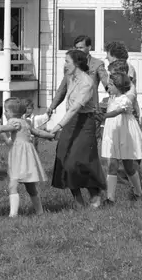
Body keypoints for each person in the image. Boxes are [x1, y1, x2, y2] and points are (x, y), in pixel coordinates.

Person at [44, 49, 107, 208]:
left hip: (85, 123)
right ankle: (78, 201)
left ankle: (95, 194)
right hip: (71, 123)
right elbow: (63, 94)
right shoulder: (70, 77)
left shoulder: (87, 82)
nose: (64, 65)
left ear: (77, 63)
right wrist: (52, 108)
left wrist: (57, 126)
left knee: (81, 161)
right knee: (64, 158)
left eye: (67, 62)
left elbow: (74, 109)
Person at [0, 97, 48, 217]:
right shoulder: (26, 122)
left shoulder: (13, 122)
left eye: (6, 110)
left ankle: (13, 214)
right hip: (28, 157)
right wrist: (50, 135)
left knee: (13, 185)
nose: (5, 112)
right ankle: (40, 212)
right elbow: (38, 132)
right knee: (30, 187)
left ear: (10, 113)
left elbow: (4, 128)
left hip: (18, 157)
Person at [100, 74, 142, 202]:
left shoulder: (125, 100)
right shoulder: (111, 99)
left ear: (118, 86)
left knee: (128, 166)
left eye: (110, 85)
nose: (108, 86)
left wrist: (104, 116)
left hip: (125, 134)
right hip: (114, 133)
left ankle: (138, 192)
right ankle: (110, 198)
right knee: (112, 164)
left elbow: (117, 112)